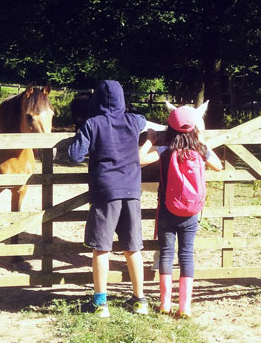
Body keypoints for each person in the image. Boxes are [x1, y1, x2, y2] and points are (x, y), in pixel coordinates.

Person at [66, 80, 149, 318]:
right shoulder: (134, 122)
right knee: (133, 248)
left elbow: (74, 155)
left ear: (97, 101)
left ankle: (100, 303)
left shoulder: (93, 124)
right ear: (122, 99)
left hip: (105, 192)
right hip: (132, 191)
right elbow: (144, 121)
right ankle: (139, 299)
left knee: (101, 248)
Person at [139, 105, 222, 318]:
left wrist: (150, 139)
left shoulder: (165, 151)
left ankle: (165, 304)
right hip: (192, 213)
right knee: (187, 256)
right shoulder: (201, 151)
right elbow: (218, 166)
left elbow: (138, 160)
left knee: (166, 254)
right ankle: (185, 307)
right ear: (195, 128)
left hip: (167, 210)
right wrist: (200, 139)